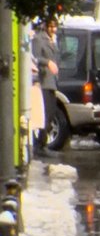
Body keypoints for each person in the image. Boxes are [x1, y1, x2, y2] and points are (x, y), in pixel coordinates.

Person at [31, 17, 59, 149]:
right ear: (46, 26)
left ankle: (42, 142)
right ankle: (40, 144)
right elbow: (36, 57)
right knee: (46, 114)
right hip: (44, 81)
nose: (53, 29)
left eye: (55, 26)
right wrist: (48, 62)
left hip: (52, 81)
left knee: (52, 112)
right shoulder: (39, 39)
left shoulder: (53, 39)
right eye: (50, 26)